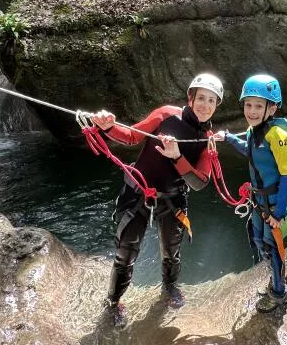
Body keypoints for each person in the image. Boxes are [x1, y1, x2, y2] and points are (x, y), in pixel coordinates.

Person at [91, 73, 224, 325]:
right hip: (138, 192)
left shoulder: (208, 140)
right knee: (125, 254)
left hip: (172, 199)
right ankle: (113, 302)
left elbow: (199, 182)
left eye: (211, 101)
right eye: (201, 98)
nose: (205, 105)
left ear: (216, 106)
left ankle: (170, 288)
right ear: (191, 97)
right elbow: (132, 136)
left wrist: (176, 156)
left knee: (171, 253)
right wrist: (107, 126)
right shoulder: (166, 115)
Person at [215, 74, 287, 313]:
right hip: (259, 200)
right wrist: (228, 138)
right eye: (248, 105)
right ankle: (277, 277)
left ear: (272, 108)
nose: (251, 110)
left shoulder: (277, 135)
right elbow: (250, 152)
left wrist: (279, 213)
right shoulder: (253, 132)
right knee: (259, 241)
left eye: (258, 106)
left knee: (271, 245)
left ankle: (279, 293)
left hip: (273, 203)